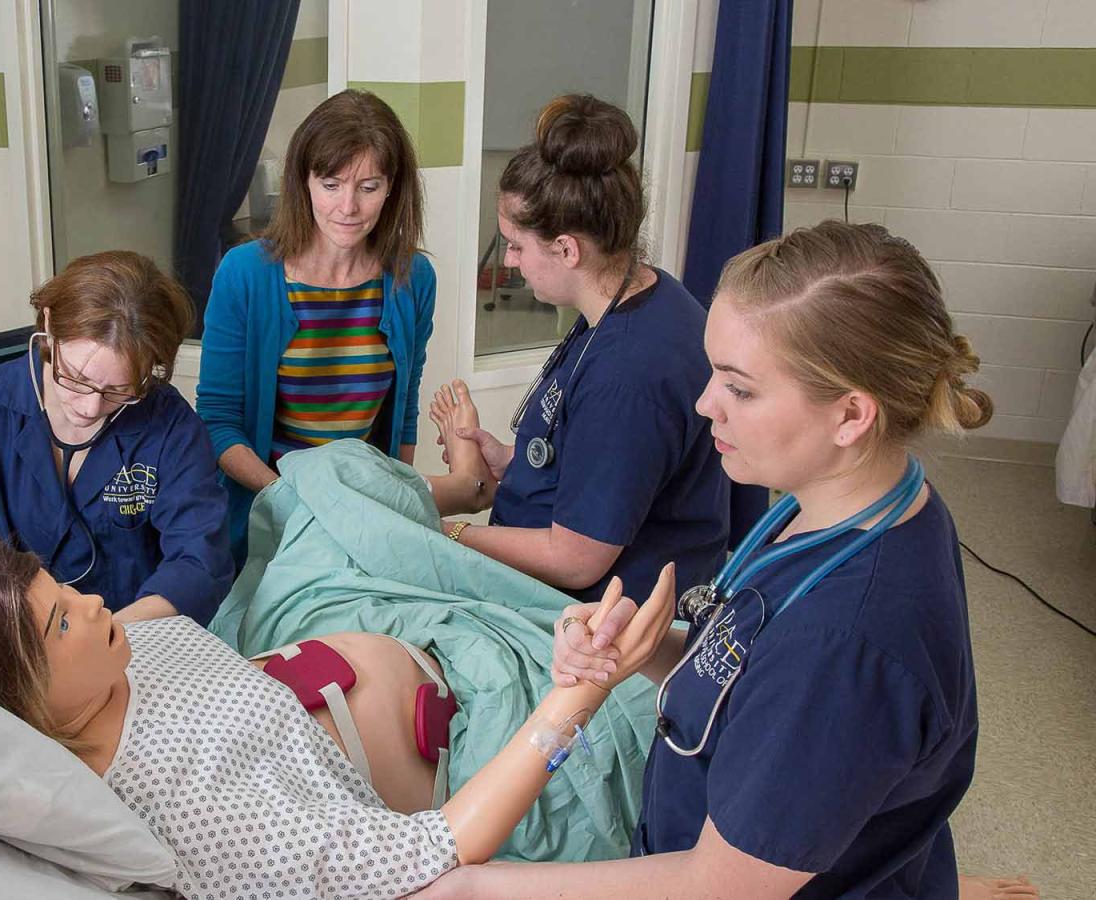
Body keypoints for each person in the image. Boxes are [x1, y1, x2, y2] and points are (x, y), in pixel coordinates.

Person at [418, 220, 1038, 900]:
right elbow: (755, 664)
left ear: (851, 416)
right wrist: (651, 650)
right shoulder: (849, 507)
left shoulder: (843, 648)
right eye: (712, 370)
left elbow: (718, 886)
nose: (705, 403)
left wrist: (473, 888)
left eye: (739, 387)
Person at [0, 530, 677, 900]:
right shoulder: (204, 815)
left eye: (60, 587)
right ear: (17, 702)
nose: (92, 600)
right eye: (59, 620)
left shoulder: (113, 659)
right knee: (655, 692)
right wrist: (575, 700)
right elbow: (449, 848)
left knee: (330, 482)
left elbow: (152, 619)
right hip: (483, 740)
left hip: (413, 642)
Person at [431, 94, 727, 604]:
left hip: (593, 619)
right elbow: (598, 458)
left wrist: (448, 536)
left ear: (567, 249)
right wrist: (517, 462)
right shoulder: (644, 295)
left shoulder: (629, 376)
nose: (512, 262)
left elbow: (575, 560)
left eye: (517, 246)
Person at [0, 251, 233, 625]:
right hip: (11, 640)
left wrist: (104, 637)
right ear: (49, 325)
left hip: (135, 638)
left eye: (120, 389)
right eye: (77, 378)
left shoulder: (170, 428)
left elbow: (199, 563)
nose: (90, 406)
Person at [197, 89, 436, 564]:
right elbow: (218, 422)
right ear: (302, 182)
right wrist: (296, 500)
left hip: (367, 515)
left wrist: (393, 505)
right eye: (331, 184)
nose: (348, 206)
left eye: (368, 187)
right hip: (269, 513)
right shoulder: (245, 274)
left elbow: (403, 411)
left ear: (392, 189)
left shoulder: (414, 279)